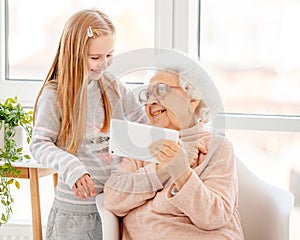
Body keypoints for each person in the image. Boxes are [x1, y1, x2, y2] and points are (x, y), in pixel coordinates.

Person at [29, 9, 146, 240]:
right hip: (75, 211)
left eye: (109, 55)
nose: (104, 64)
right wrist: (70, 166)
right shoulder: (55, 95)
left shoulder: (113, 86)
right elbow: (39, 144)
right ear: (74, 53)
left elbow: (143, 125)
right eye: (95, 57)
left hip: (116, 206)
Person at [104, 67, 244, 239]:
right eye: (146, 95)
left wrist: (182, 172)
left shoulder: (216, 147)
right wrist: (162, 170)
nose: (151, 101)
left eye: (161, 90)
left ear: (192, 100)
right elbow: (112, 198)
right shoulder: (141, 145)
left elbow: (215, 216)